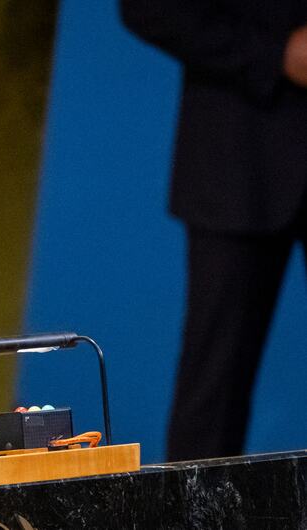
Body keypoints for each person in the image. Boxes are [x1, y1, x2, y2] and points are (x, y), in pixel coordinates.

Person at [120, 1, 307, 461]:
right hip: (238, 157)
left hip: (238, 157)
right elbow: (149, 8)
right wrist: (276, 52)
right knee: (213, 393)